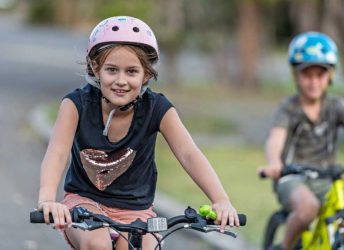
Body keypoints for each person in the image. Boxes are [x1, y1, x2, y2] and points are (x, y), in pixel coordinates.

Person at [36, 16, 240, 250]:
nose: (121, 81)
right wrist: (47, 199)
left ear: (146, 74)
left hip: (136, 211)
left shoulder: (157, 109)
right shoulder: (76, 105)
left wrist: (221, 200)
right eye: (112, 70)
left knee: (148, 247)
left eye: (131, 71)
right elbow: (58, 153)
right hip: (85, 204)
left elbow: (189, 154)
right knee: (97, 243)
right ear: (95, 68)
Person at [257, 31, 344, 250]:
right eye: (307, 74)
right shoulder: (290, 108)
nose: (313, 82)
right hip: (294, 178)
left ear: (330, 76)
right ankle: (286, 247)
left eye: (320, 75)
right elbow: (275, 138)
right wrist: (275, 163)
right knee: (307, 209)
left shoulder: (335, 106)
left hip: (328, 179)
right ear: (295, 75)